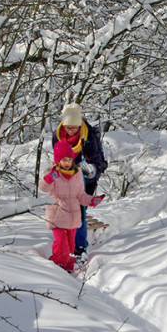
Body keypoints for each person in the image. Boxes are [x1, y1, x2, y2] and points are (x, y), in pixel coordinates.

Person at [51, 102, 108, 258]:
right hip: (64, 177)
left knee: (79, 211)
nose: (70, 131)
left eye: (74, 128)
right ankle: (65, 244)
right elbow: (57, 157)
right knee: (65, 210)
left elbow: (97, 162)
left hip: (84, 179)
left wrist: (90, 170)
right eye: (68, 128)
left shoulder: (89, 135)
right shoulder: (57, 136)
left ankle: (80, 247)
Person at [39, 140, 104, 272]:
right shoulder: (53, 173)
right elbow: (44, 188)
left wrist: (92, 200)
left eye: (69, 159)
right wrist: (49, 178)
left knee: (70, 249)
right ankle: (53, 269)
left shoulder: (77, 174)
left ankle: (68, 271)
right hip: (57, 216)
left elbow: (81, 196)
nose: (67, 163)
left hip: (73, 217)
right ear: (58, 160)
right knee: (61, 248)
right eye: (63, 160)